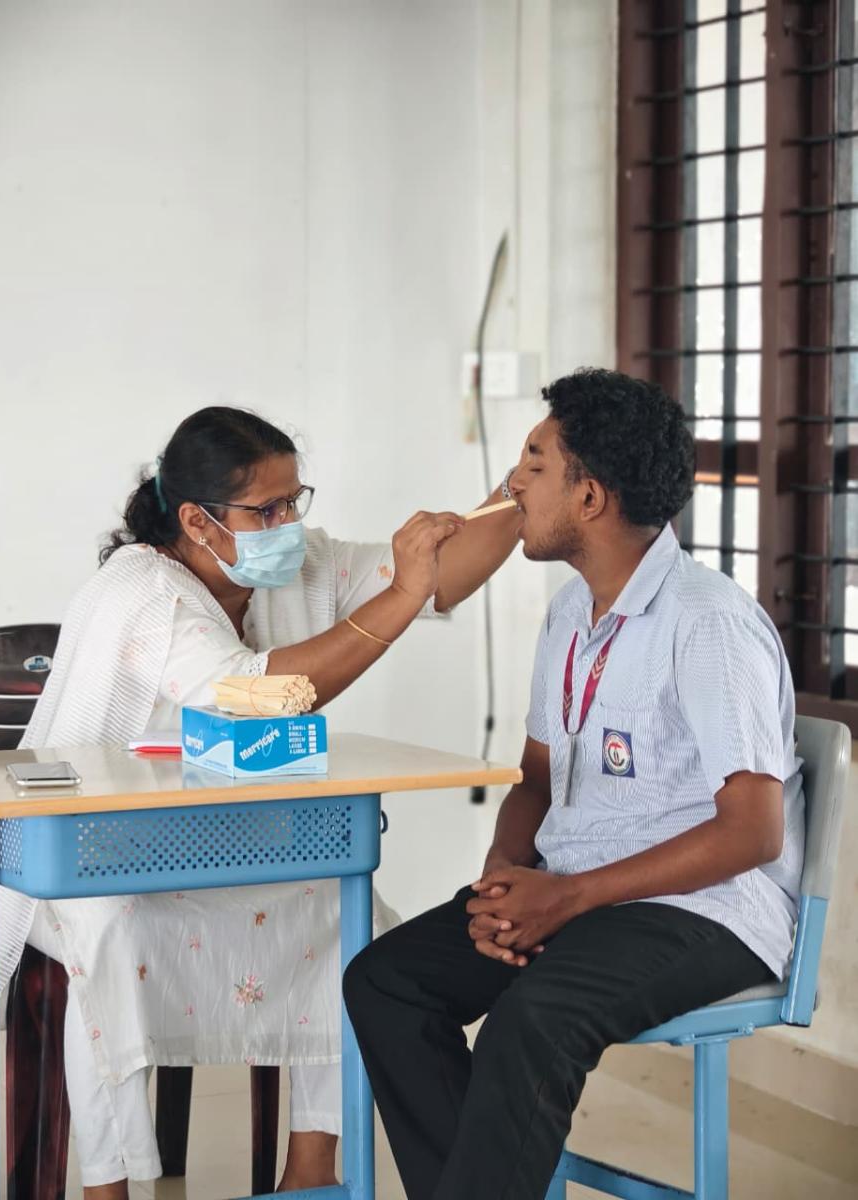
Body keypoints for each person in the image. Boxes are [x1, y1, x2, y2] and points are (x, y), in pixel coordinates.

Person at [0, 405, 520, 1199]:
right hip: (81, 859)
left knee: (352, 915)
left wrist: (520, 489)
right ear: (197, 520)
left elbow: (440, 575)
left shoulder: (293, 564)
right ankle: (108, 1189)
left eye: (295, 501)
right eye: (267, 509)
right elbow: (256, 697)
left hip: (211, 850)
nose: (288, 524)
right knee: (111, 933)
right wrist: (397, 600)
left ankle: (310, 1172)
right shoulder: (143, 592)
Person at [344, 368, 805, 1200]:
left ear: (589, 497)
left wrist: (567, 897)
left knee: (534, 1018)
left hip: (703, 908)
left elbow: (752, 832)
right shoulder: (569, 612)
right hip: (579, 889)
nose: (512, 483)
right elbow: (537, 780)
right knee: (386, 982)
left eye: (534, 462)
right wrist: (500, 881)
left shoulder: (708, 622)